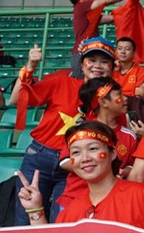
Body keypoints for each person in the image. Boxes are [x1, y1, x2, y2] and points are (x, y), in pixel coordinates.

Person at [9, 37, 116, 225]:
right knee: (25, 219)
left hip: (75, 166)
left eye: (104, 61)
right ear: (82, 66)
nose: (97, 66)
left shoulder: (113, 102)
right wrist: (30, 65)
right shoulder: (61, 83)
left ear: (112, 68)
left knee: (62, 223)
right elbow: (16, 99)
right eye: (91, 60)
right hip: (39, 157)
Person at [16, 121, 144, 230]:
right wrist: (35, 211)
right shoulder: (70, 212)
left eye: (93, 149)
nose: (85, 158)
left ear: (113, 154)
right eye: (76, 152)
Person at [56, 77, 138, 212]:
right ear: (103, 102)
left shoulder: (129, 136)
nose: (125, 99)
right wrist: (100, 169)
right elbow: (64, 161)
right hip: (74, 199)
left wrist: (126, 171)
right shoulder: (81, 131)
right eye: (119, 96)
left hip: (112, 203)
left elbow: (130, 164)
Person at [69, 0, 141, 78]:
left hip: (88, 51)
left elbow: (113, 18)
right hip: (82, 52)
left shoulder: (88, 15)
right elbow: (107, 0)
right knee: (80, 84)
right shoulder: (81, 6)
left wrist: (132, 3)